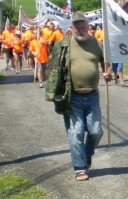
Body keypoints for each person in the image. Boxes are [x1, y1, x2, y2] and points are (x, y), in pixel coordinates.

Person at [46, 11, 112, 181]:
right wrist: (53, 92)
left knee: (96, 131)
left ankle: (87, 153)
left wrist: (108, 73)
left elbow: (106, 62)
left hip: (92, 95)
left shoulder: (96, 43)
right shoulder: (63, 44)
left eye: (83, 27)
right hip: (72, 96)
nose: (81, 30)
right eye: (77, 27)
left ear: (88, 27)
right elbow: (52, 69)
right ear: (71, 28)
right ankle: (80, 168)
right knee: (75, 133)